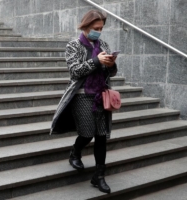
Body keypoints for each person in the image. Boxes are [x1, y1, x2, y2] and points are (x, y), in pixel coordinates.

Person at [50, 10, 118, 194]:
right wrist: (96, 60)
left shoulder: (102, 44)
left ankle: (99, 176)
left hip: (100, 94)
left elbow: (110, 73)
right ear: (86, 26)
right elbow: (75, 71)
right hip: (82, 96)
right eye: (96, 28)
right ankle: (75, 151)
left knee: (102, 135)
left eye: (101, 28)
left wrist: (111, 65)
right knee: (88, 133)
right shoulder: (74, 45)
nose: (98, 32)